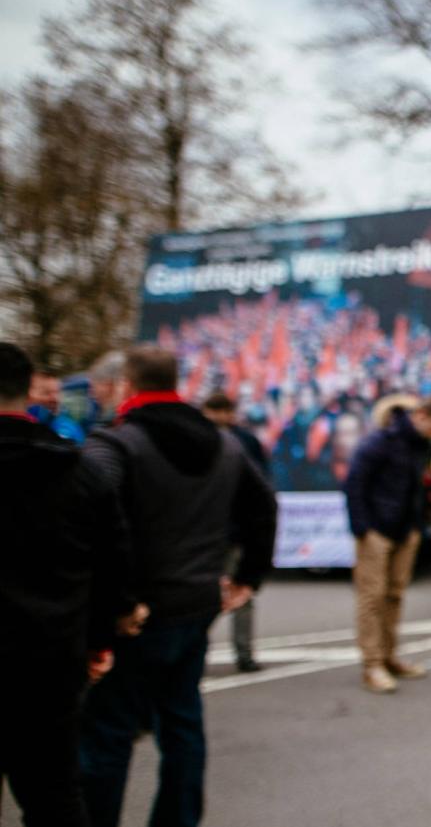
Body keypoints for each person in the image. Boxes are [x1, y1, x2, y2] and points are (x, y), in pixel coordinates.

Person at [79, 345, 277, 827]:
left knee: (108, 733)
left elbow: (94, 522)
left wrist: (117, 602)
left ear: (127, 384)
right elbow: (264, 506)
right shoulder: (223, 443)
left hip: (137, 613)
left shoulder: (116, 444)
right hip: (196, 603)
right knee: (182, 721)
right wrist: (248, 577)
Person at [0, 342, 137, 827]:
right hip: (51, 658)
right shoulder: (78, 470)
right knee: (53, 795)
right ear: (27, 391)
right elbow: (112, 564)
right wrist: (99, 641)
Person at [344, 396, 431, 694]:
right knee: (372, 597)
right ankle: (372, 664)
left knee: (394, 595)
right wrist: (362, 529)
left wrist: (418, 525)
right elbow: (355, 484)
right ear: (422, 416)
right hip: (377, 531)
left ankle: (389, 656)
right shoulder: (380, 441)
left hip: (406, 530)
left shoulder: (421, 445)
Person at [201, 391, 270, 674]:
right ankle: (211, 652)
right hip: (216, 530)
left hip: (228, 529)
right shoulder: (234, 441)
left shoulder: (244, 442)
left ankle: (243, 653)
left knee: (237, 594)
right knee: (211, 596)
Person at [29, 371, 86, 443]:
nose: (55, 398)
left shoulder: (67, 428)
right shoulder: (27, 419)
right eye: (47, 392)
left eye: (57, 392)